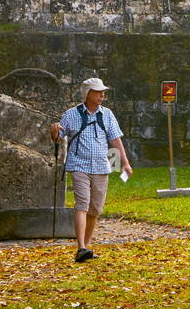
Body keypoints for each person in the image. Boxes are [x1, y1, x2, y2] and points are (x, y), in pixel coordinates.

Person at [49, 77, 132, 263]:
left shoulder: (107, 114)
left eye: (103, 92)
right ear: (87, 94)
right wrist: (54, 130)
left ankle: (85, 248)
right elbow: (58, 137)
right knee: (82, 204)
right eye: (98, 92)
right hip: (79, 165)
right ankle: (81, 246)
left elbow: (115, 140)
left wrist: (125, 163)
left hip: (102, 166)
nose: (102, 95)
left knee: (95, 209)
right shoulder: (71, 114)